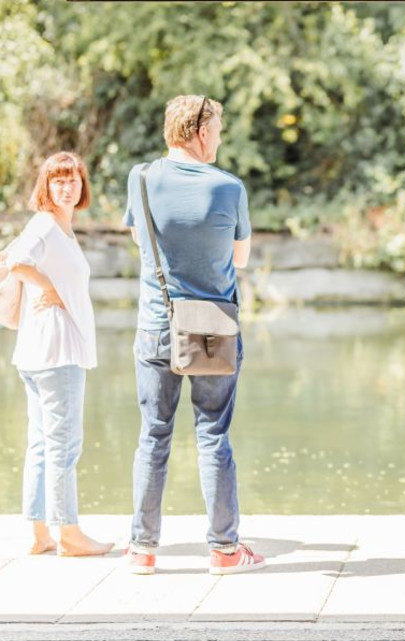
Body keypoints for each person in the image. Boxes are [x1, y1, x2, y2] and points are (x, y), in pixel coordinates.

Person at [121, 95, 261, 576]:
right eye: (218, 128)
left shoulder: (139, 179)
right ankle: (224, 550)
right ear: (201, 132)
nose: (220, 137)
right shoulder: (229, 188)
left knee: (153, 435)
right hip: (214, 329)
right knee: (213, 435)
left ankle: (142, 549)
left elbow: (142, 243)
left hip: (158, 325)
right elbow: (240, 260)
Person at [3, 152, 112, 557]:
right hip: (56, 353)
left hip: (40, 353)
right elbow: (14, 261)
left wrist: (48, 284)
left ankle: (38, 533)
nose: (67, 187)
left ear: (83, 185)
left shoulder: (59, 228)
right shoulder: (46, 225)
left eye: (73, 180)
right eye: (58, 180)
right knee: (63, 446)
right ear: (45, 186)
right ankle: (68, 533)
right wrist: (46, 285)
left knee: (42, 445)